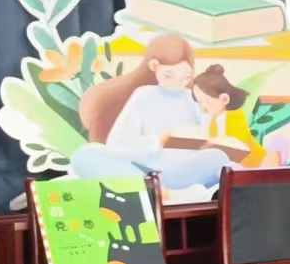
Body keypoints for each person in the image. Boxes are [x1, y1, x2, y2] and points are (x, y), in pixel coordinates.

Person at [71, 34, 233, 191]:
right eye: (169, 75)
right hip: (140, 169)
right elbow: (117, 144)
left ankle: (162, 190)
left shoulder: (193, 98)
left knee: (218, 158)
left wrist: (208, 128)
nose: (178, 83)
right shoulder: (143, 95)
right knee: (85, 155)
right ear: (154, 66)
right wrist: (157, 141)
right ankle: (152, 189)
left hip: (178, 172)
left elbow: (204, 138)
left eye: (185, 77)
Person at [190, 65, 268, 168]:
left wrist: (210, 145)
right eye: (199, 102)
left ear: (224, 99)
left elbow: (235, 143)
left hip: (251, 162)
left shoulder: (234, 115)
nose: (203, 107)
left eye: (207, 102)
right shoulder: (211, 118)